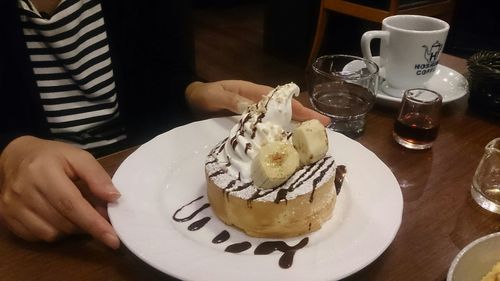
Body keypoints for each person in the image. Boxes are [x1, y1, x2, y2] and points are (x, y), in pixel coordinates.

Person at [0, 0, 329, 250]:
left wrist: (193, 91)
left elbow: (162, 73)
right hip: (40, 224)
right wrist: (9, 150)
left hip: (148, 194)